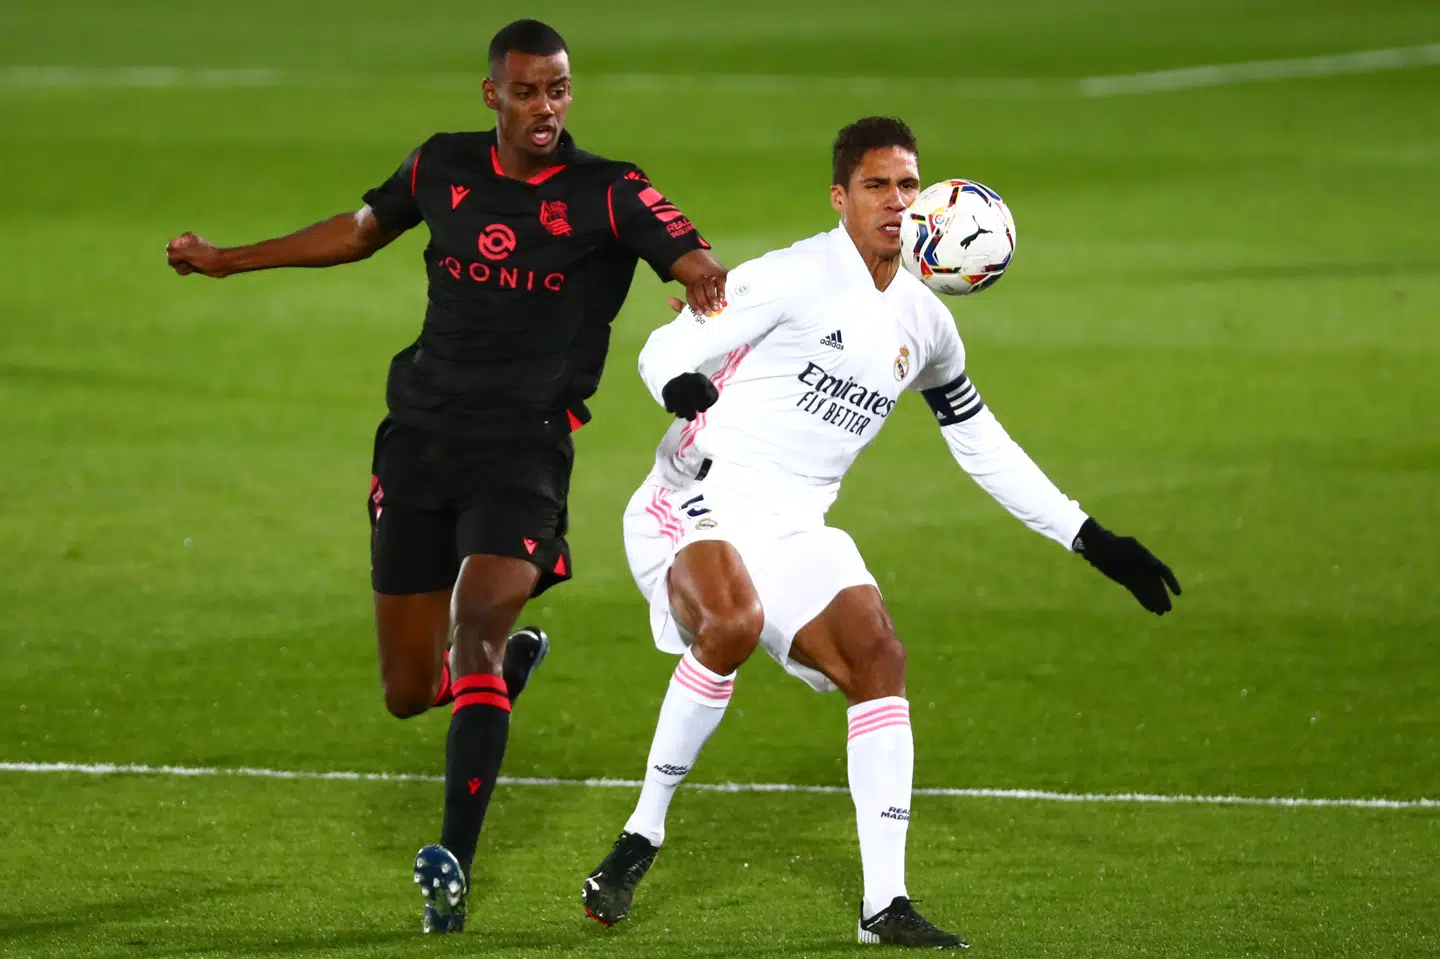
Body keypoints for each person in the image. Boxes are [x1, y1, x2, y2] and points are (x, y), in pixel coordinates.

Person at [163, 18, 728, 934]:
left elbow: (688, 249)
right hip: (419, 441)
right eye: (528, 91)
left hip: (525, 450)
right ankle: (505, 673)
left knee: (477, 627)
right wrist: (229, 260)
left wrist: (700, 274)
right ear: (492, 95)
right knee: (405, 691)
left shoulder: (610, 190)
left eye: (560, 90)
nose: (546, 108)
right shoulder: (440, 166)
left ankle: (452, 867)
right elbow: (356, 233)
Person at [580, 116, 1180, 949]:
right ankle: (642, 833)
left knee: (878, 656)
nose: (895, 202)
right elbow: (664, 343)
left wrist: (1088, 535)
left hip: (793, 524)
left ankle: (883, 904)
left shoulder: (927, 324)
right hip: (693, 501)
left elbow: (980, 442)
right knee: (731, 620)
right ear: (841, 197)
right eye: (876, 185)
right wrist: (681, 383)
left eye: (907, 185)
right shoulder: (794, 274)